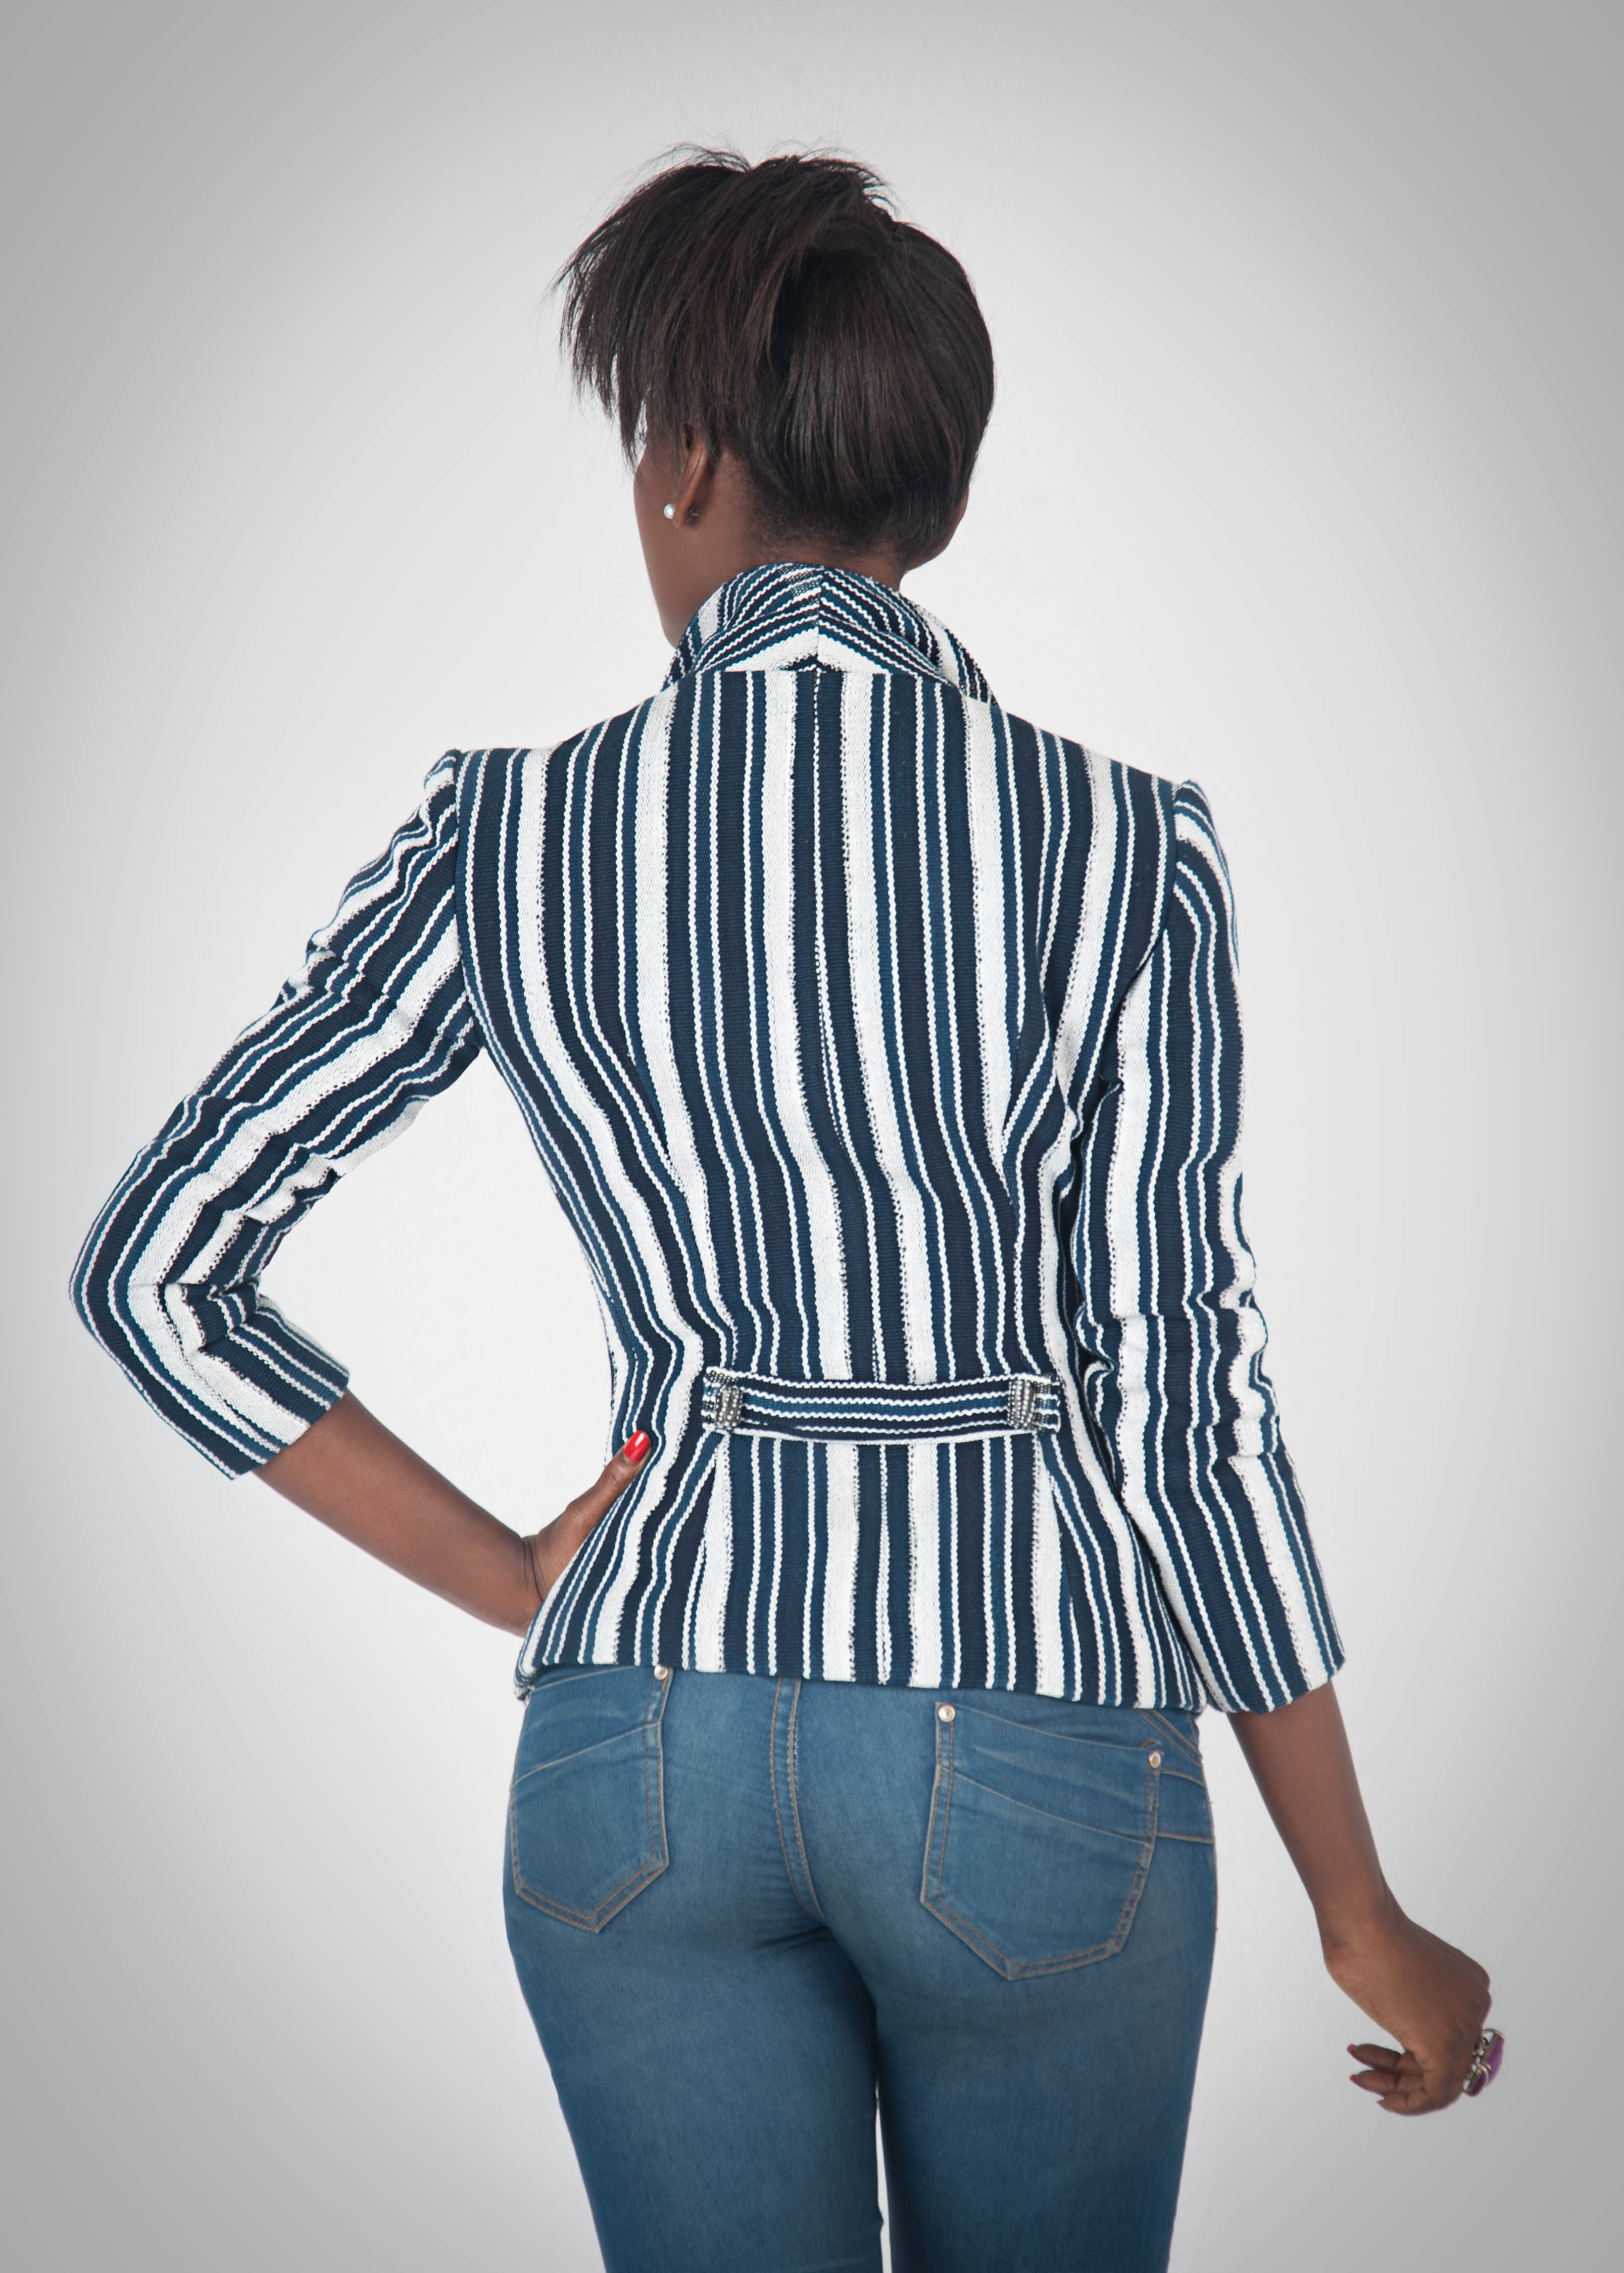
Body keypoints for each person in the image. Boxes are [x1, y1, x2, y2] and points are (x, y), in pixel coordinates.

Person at [71, 150, 1497, 2272]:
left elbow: (158, 1265)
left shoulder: (509, 835)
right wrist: (1358, 1907)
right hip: (1036, 1736)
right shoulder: (1126, 851)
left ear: (681, 465)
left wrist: (510, 1575)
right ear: (937, 492)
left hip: (642, 1736)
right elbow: (1182, 1396)